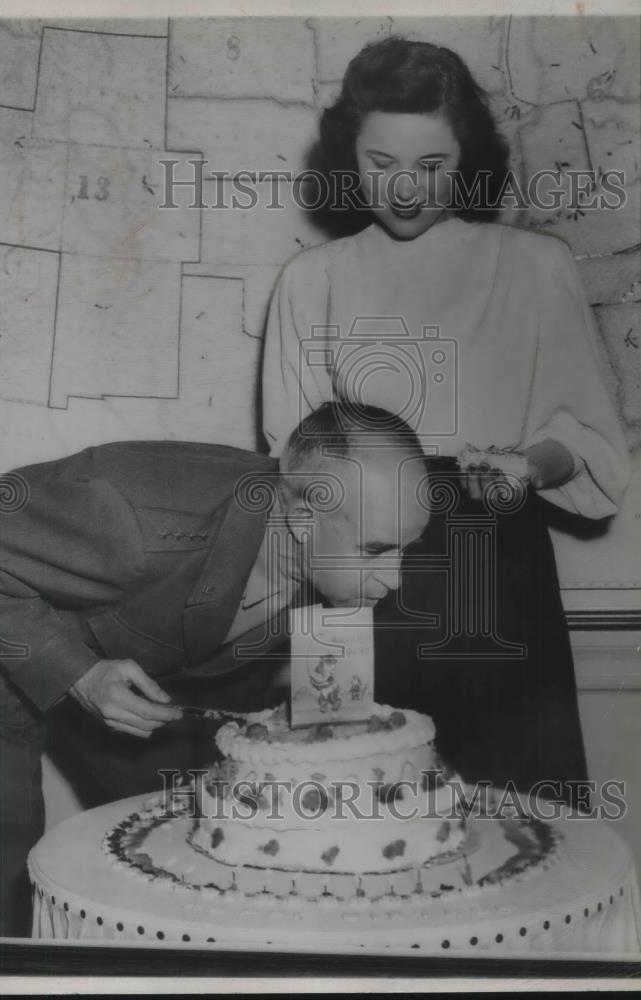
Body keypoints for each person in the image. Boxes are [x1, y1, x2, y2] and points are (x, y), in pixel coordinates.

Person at [261, 38, 630, 806]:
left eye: (430, 165)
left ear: (468, 159)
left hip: (496, 565)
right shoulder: (309, 281)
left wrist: (531, 466)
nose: (403, 189)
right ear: (346, 157)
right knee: (351, 816)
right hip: (353, 576)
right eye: (380, 162)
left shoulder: (535, 265)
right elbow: (292, 474)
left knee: (518, 824)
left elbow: (588, 442)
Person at [0, 402, 429, 936]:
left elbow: (335, 724)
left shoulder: (329, 549)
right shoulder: (134, 520)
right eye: (377, 550)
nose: (396, 578)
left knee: (182, 840)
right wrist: (79, 675)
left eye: (407, 548)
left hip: (120, 651)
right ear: (302, 521)